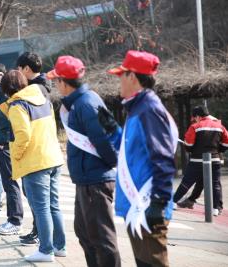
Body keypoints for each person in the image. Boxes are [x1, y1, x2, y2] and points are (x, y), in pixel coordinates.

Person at [47, 55, 121, 267]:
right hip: (87, 178)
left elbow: (106, 139)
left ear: (63, 81)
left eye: (56, 81)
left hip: (95, 180)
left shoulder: (86, 103)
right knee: (85, 234)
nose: (55, 85)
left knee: (102, 239)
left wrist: (109, 165)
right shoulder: (83, 101)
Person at [107, 50, 178, 267]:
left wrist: (159, 201)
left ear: (133, 77)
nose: (119, 80)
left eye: (122, 75)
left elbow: (163, 158)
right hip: (138, 204)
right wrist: (111, 129)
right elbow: (130, 150)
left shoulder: (149, 110)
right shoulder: (139, 107)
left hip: (148, 204)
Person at [0, 70, 66, 263]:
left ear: (6, 89)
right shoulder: (43, 98)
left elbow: (23, 136)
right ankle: (59, 246)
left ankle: (46, 250)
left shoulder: (17, 106)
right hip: (53, 157)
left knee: (41, 208)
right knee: (53, 205)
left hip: (35, 162)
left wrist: (16, 156)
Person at [16, 52, 52, 242]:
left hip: (37, 152)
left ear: (27, 69)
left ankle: (42, 238)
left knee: (40, 202)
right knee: (43, 202)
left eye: (19, 70)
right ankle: (47, 238)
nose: (18, 73)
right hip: (44, 151)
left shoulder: (37, 89)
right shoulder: (40, 86)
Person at [0, 64, 25, 236]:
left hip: (6, 144)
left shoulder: (6, 97)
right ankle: (12, 218)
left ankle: (15, 220)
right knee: (8, 182)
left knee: (10, 182)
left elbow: (6, 122)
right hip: (3, 143)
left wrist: (2, 141)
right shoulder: (1, 95)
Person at [173, 106, 228, 216]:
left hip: (197, 160)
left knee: (186, 182)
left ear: (198, 116)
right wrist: (218, 150)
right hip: (215, 159)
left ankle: (173, 202)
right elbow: (226, 143)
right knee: (215, 184)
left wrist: (191, 149)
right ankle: (216, 208)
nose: (194, 120)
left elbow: (189, 144)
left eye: (194, 117)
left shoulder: (195, 126)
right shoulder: (220, 126)